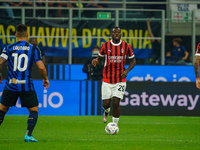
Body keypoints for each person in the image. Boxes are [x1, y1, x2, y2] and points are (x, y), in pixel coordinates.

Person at [0, 24, 49, 142]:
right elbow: (41, 67)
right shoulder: (34, 49)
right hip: (26, 85)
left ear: (16, 35)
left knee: (2, 109)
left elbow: (0, 62)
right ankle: (28, 135)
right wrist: (45, 78)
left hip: (11, 84)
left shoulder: (8, 48)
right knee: (33, 110)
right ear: (27, 35)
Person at [92, 27, 136, 124]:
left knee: (116, 102)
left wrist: (127, 71)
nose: (117, 34)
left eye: (119, 32)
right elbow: (99, 60)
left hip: (120, 79)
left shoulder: (126, 46)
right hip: (107, 79)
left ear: (121, 34)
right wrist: (96, 61)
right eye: (114, 32)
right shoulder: (105, 46)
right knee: (106, 103)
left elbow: (133, 60)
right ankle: (106, 111)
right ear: (111, 34)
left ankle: (114, 125)